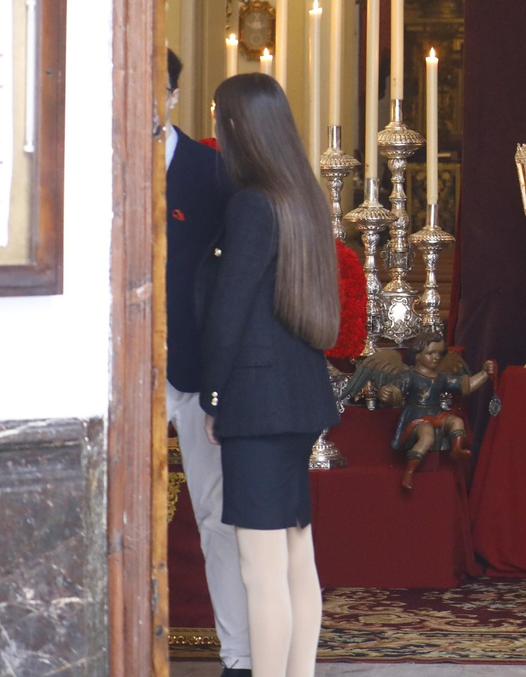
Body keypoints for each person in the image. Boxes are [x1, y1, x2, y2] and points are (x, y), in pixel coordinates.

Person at [198, 73, 341, 677]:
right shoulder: (302, 196)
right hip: (298, 395)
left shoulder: (253, 203)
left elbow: (228, 311)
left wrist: (211, 397)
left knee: (261, 569)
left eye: (218, 116)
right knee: (295, 555)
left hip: (256, 403)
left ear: (236, 127)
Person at [162, 48, 252, 677]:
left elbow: (235, 279)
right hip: (119, 376)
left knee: (218, 516)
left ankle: (238, 657)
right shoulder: (94, 162)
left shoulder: (212, 172)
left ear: (173, 95)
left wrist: (227, 380)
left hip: (198, 374)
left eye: (155, 86)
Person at [377, 333, 495, 489]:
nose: (436, 357)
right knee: (427, 436)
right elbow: (395, 390)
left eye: (439, 353)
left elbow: (466, 385)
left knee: (457, 421)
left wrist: (484, 374)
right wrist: (387, 393)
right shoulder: (409, 376)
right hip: (417, 415)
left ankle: (456, 449)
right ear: (417, 354)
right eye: (430, 353)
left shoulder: (442, 378)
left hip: (437, 413)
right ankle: (410, 471)